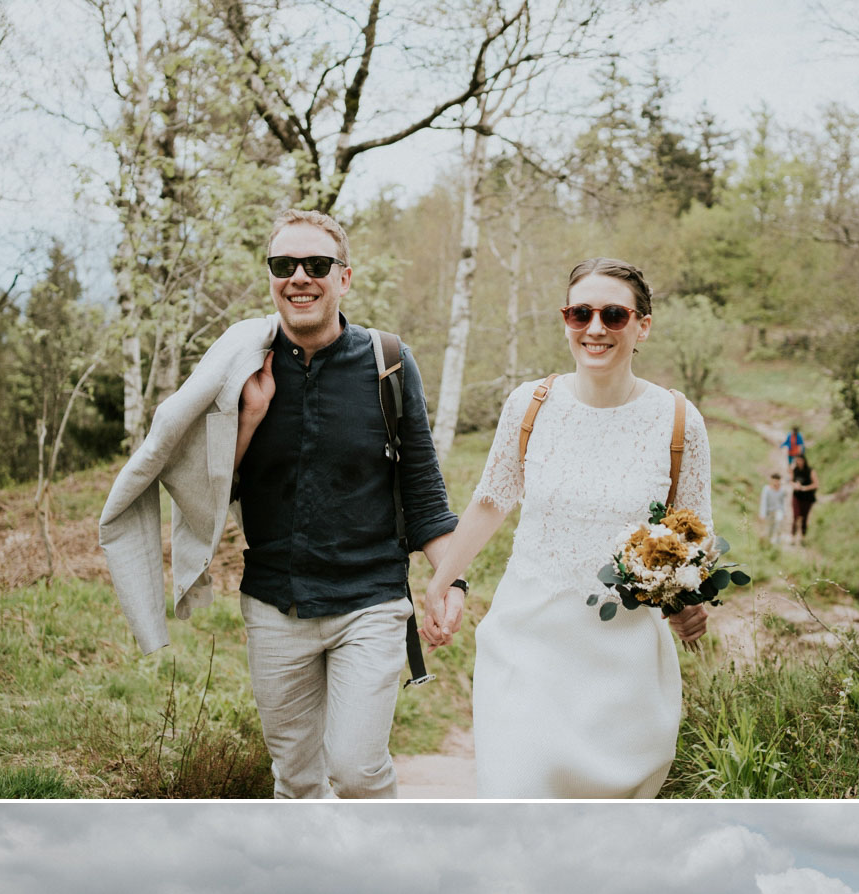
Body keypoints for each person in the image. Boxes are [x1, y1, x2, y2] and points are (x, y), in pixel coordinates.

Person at [98, 209, 462, 798]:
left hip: (369, 603)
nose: (299, 277)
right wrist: (248, 418)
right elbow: (207, 493)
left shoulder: (388, 362)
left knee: (356, 768)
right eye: (283, 265)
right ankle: (310, 883)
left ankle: (385, 875)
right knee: (295, 781)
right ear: (269, 277)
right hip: (273, 607)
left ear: (344, 278)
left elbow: (424, 493)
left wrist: (453, 583)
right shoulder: (237, 369)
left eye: (316, 265)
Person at [421, 258, 712, 799]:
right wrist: (442, 582)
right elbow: (490, 501)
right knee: (516, 797)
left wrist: (685, 599)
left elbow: (695, 536)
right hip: (526, 647)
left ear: (642, 325)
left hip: (623, 667)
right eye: (580, 313)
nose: (595, 328)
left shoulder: (678, 420)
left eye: (613, 315)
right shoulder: (530, 404)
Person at [790, 451, 818, 541]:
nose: (799, 462)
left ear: (804, 461)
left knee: (804, 517)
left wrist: (804, 488)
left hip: (807, 497)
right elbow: (791, 480)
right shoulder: (795, 470)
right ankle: (793, 536)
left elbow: (816, 484)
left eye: (800, 460)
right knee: (796, 516)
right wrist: (795, 485)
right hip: (797, 496)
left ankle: (803, 536)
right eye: (797, 460)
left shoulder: (810, 471)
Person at [759, 469, 787, 546]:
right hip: (769, 512)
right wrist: (762, 514)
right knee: (769, 529)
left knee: (778, 525)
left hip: (778, 511)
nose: (775, 483)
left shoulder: (781, 490)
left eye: (777, 481)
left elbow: (783, 502)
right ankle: (767, 543)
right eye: (774, 481)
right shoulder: (766, 489)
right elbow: (763, 502)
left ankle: (777, 542)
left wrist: (784, 512)